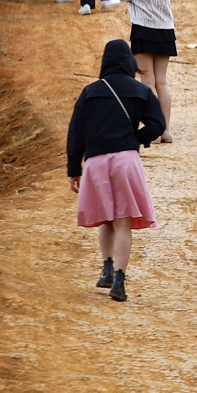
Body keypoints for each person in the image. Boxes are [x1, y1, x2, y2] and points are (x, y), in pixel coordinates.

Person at [67, 40, 165, 304]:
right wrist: (137, 138)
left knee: (105, 218)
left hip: (96, 161)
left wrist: (74, 169)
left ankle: (106, 268)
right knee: (123, 221)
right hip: (126, 159)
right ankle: (120, 279)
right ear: (129, 62)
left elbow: (75, 133)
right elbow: (158, 123)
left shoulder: (90, 92)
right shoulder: (140, 90)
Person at [106, 0, 178, 139]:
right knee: (161, 81)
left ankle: (153, 128)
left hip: (144, 30)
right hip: (165, 31)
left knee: (147, 81)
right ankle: (165, 129)